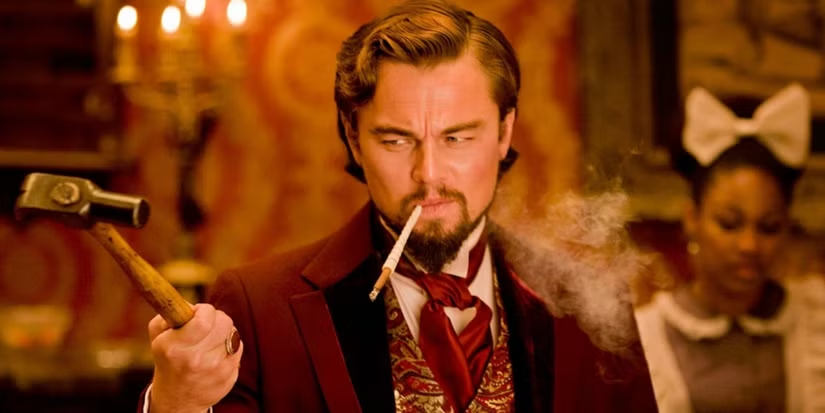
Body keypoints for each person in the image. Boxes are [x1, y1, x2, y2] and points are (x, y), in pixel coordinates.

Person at [140, 1, 658, 412]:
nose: (429, 173)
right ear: (354, 138)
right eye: (395, 140)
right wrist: (174, 404)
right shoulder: (259, 308)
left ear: (504, 133)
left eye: (457, 137)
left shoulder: (592, 308)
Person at [635, 83, 825, 412]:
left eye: (768, 227)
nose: (750, 245)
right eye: (729, 224)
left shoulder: (816, 321)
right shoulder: (648, 338)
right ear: (692, 219)